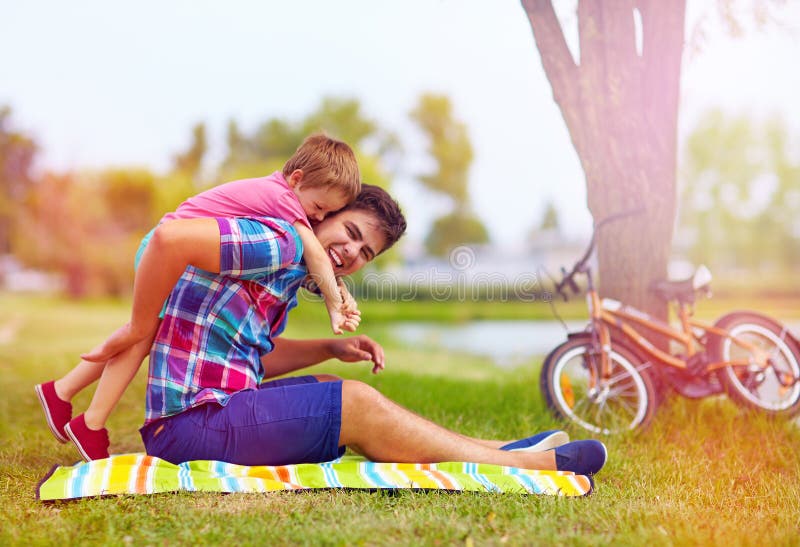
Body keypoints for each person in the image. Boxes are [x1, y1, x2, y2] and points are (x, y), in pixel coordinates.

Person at [40, 185, 607, 475]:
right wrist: (140, 323)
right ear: (323, 214)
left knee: (327, 396)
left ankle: (495, 449)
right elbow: (167, 241)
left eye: (367, 251)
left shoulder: (288, 270)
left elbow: (249, 360)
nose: (353, 251)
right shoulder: (279, 240)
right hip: (187, 429)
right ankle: (524, 465)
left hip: (213, 407)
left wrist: (331, 347)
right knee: (354, 405)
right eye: (351, 230)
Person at [35, 133, 363, 460]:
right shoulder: (283, 199)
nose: (317, 219)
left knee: (141, 336)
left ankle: (61, 392)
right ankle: (90, 423)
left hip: (167, 251)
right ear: (297, 179)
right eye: (319, 208)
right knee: (139, 335)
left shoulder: (281, 195)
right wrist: (335, 307)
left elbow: (313, 265)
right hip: (163, 252)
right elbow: (316, 256)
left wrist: (341, 290)